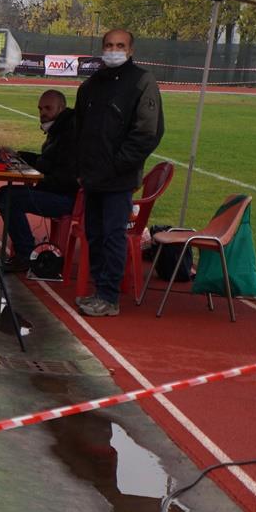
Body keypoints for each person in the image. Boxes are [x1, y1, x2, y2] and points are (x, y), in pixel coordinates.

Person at [74, 29, 164, 317]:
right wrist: (83, 168)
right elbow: (79, 130)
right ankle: (99, 291)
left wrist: (116, 166)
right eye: (109, 45)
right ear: (102, 48)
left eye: (120, 45)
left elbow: (148, 133)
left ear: (131, 50)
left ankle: (109, 297)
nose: (114, 50)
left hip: (118, 179)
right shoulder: (91, 85)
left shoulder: (142, 81)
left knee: (113, 236)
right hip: (92, 178)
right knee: (94, 235)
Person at [0, 89, 78, 272]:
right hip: (58, 191)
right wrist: (19, 156)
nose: (42, 113)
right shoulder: (60, 128)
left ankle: (25, 255)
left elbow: (56, 171)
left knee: (7, 197)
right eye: (40, 109)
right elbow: (47, 162)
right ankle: (24, 252)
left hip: (67, 198)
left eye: (48, 108)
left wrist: (36, 174)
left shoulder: (68, 133)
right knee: (5, 194)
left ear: (61, 108)